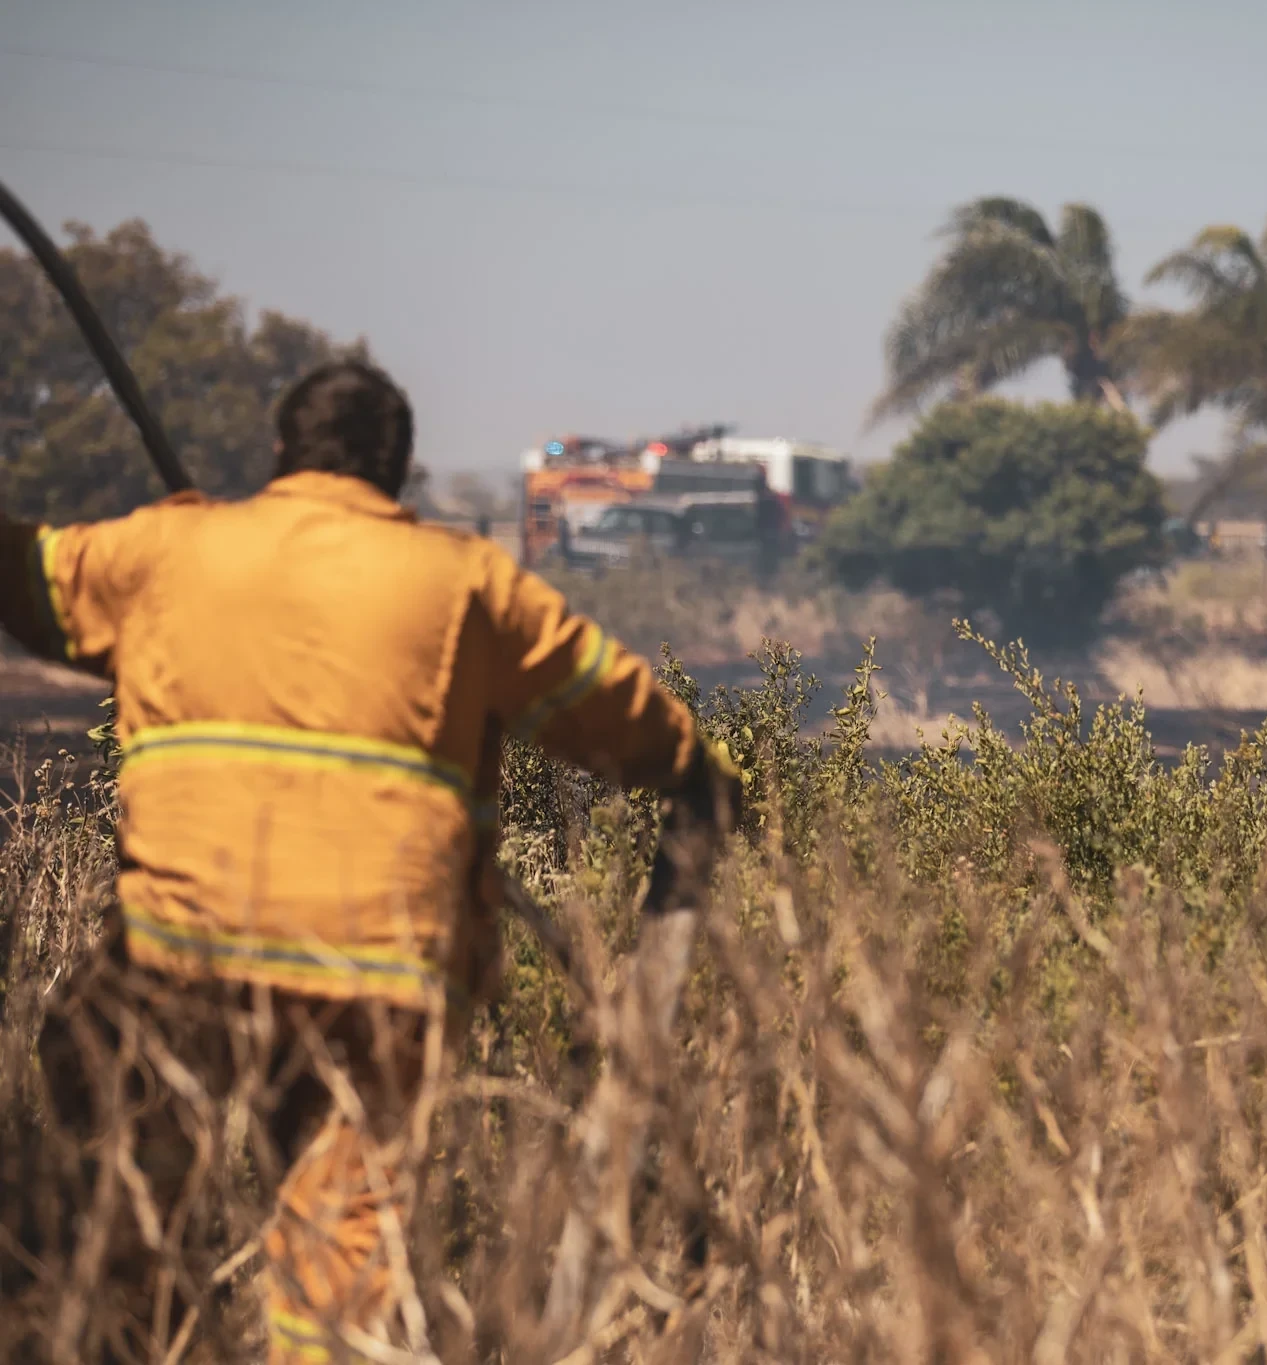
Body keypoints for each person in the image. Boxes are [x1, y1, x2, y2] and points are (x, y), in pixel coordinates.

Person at [0, 360, 741, 1363]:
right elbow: (614, 711)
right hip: (380, 974)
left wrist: (169, 551)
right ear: (397, 471)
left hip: (185, 960)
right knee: (343, 1250)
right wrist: (701, 768)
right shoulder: (466, 582)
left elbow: (29, 581)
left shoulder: (166, 548)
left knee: (121, 1196)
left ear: (278, 452)